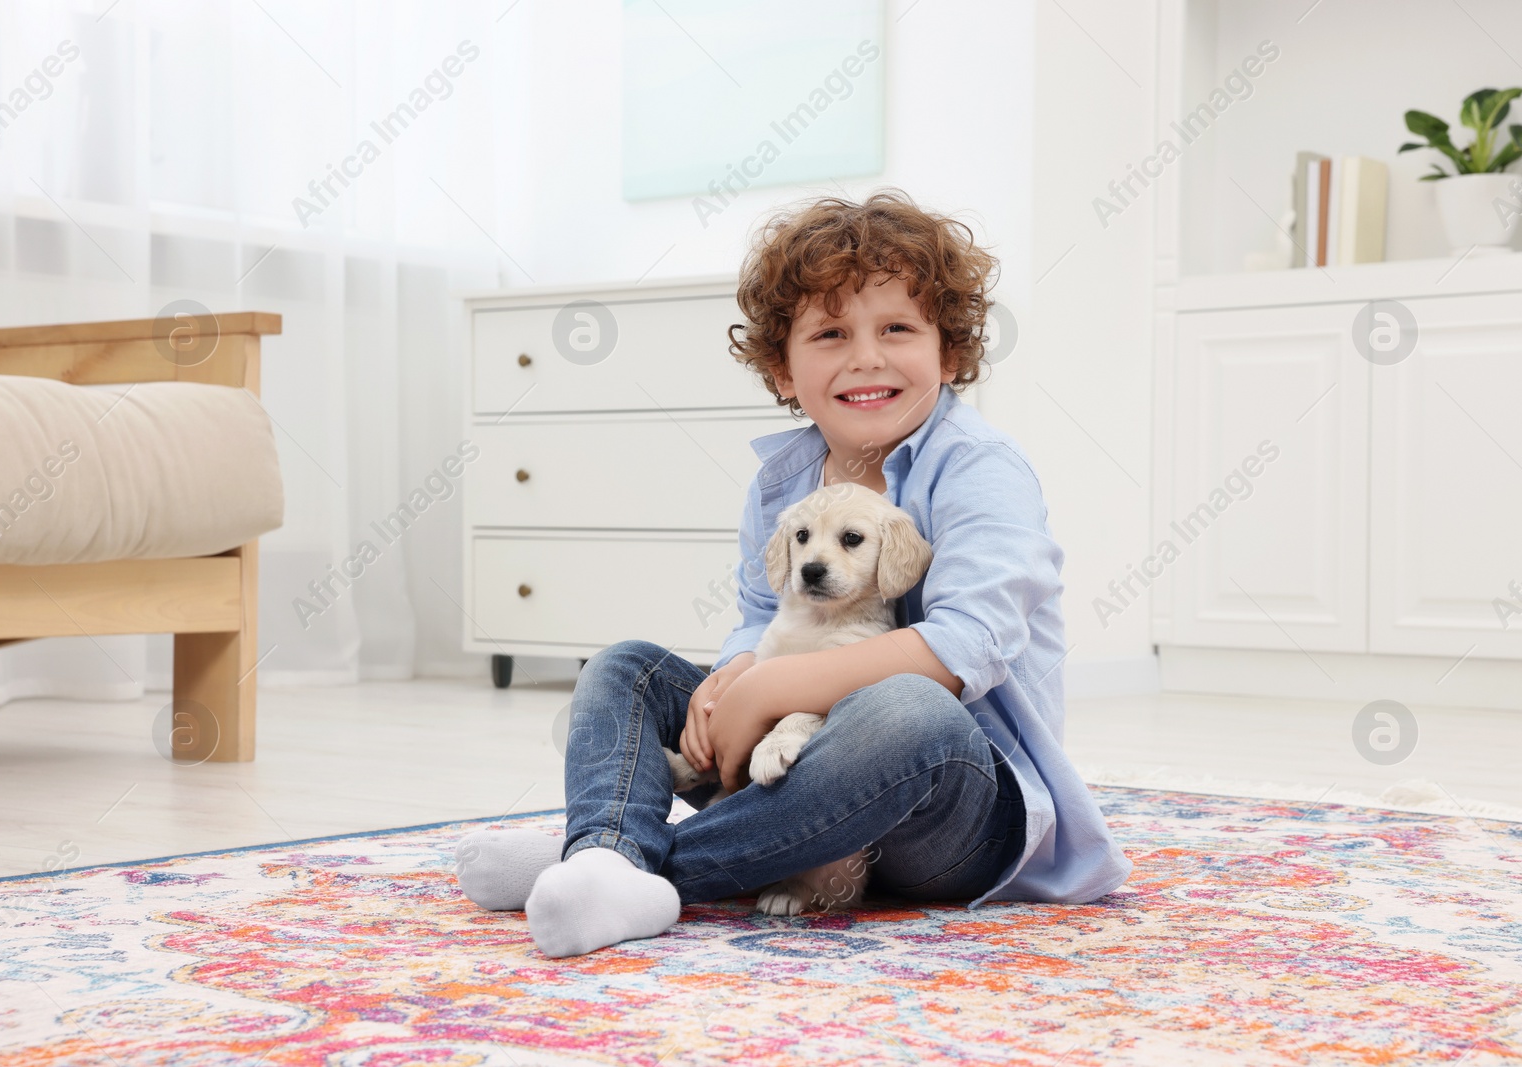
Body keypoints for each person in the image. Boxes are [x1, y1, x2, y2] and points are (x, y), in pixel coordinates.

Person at [453, 189, 1133, 958]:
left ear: (950, 352)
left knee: (908, 708)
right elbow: (757, 610)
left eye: (898, 328)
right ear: (782, 369)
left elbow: (961, 650)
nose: (866, 356)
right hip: (787, 770)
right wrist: (741, 667)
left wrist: (768, 690)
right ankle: (611, 853)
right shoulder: (786, 479)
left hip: (952, 813)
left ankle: (629, 861)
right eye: (831, 332)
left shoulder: (982, 471)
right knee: (628, 668)